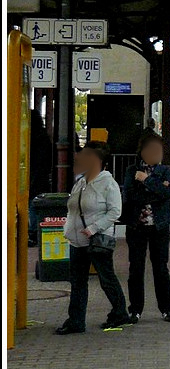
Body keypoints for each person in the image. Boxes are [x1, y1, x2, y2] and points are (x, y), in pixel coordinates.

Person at [55, 142, 129, 334]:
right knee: (78, 282)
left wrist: (94, 228)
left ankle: (120, 313)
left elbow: (115, 211)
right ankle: (76, 321)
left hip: (97, 241)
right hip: (77, 241)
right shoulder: (81, 181)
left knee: (107, 278)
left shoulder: (107, 183)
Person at [122, 133, 170, 323]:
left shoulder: (165, 171)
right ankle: (135, 309)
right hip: (136, 227)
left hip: (159, 227)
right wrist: (157, 190)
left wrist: (146, 181)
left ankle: (166, 308)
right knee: (136, 269)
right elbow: (129, 196)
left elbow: (168, 192)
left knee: (161, 268)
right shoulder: (131, 171)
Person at [27, 110, 53, 247]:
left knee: (32, 205)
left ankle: (33, 232)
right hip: (40, 177)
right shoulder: (43, 137)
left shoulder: (32, 138)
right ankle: (34, 232)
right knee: (34, 206)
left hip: (34, 177)